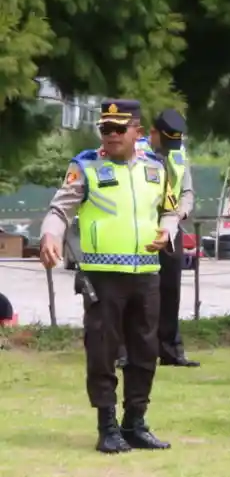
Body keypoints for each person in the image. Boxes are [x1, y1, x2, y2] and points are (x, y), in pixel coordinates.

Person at [39, 99, 177, 453]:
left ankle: (136, 422)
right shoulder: (85, 166)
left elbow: (170, 210)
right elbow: (61, 208)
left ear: (138, 132)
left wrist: (167, 231)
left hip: (146, 273)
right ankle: (107, 425)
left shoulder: (158, 168)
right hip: (103, 275)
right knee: (102, 349)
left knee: (145, 350)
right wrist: (51, 235)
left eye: (119, 129)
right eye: (105, 129)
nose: (111, 135)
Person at [146, 109, 199, 369]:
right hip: (141, 230)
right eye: (165, 141)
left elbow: (187, 191)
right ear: (152, 133)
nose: (169, 148)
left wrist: (182, 211)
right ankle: (125, 349)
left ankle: (170, 349)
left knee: (170, 291)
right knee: (137, 292)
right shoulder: (135, 153)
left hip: (171, 231)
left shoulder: (178, 155)